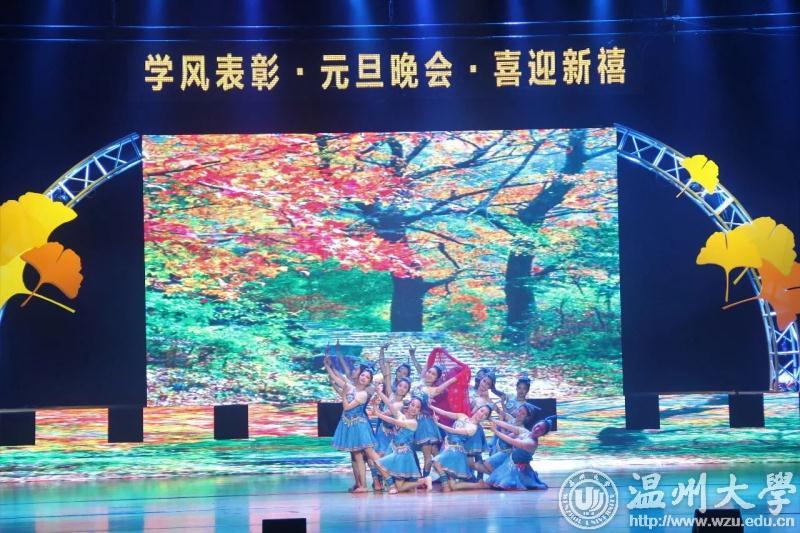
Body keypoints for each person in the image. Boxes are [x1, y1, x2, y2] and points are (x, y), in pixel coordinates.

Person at [323, 353, 384, 493]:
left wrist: (344, 395)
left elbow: (346, 405)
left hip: (359, 423)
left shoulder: (365, 392)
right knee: (355, 455)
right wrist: (328, 366)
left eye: (366, 377)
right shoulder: (350, 386)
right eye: (362, 375)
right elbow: (336, 378)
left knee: (365, 455)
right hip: (349, 423)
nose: (362, 377)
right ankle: (360, 484)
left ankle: (375, 481)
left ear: (369, 381)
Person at [407, 345, 459, 478]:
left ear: (436, 378)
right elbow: (421, 369)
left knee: (427, 454)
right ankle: (445, 478)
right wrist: (413, 356)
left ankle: (426, 480)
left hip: (424, 424)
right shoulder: (420, 382)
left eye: (433, 374)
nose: (429, 374)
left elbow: (443, 386)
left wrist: (455, 378)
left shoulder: (432, 390)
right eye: (429, 372)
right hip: (417, 421)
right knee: (435, 452)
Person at [370, 395, 429, 494]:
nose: (414, 408)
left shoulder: (413, 423)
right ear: (409, 405)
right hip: (394, 448)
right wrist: (379, 394)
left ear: (419, 411)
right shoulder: (402, 416)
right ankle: (424, 481)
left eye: (417, 407)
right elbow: (390, 405)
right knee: (400, 487)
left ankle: (392, 485)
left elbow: (394, 421)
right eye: (412, 405)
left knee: (378, 463)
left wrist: (378, 414)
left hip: (403, 454)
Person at [430, 404, 493, 492]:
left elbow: (453, 431)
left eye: (485, 414)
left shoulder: (473, 428)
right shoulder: (462, 416)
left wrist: (437, 424)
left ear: (486, 418)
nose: (482, 414)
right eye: (481, 411)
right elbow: (445, 413)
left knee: (436, 462)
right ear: (477, 409)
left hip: (456, 451)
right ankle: (478, 485)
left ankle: (445, 485)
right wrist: (431, 406)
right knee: (453, 486)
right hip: (449, 448)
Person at [485, 415, 555, 490]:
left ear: (543, 434)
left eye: (541, 430)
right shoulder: (525, 432)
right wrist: (492, 419)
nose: (537, 429)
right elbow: (507, 426)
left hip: (518, 469)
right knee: (488, 466)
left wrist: (495, 431)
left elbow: (511, 441)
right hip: (510, 461)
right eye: (538, 426)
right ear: (535, 424)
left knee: (504, 483)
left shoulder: (531, 443)